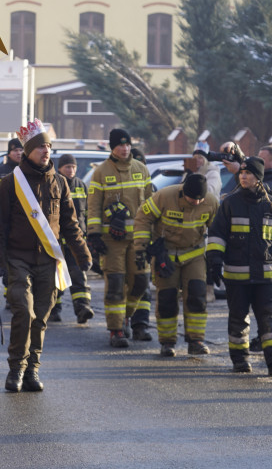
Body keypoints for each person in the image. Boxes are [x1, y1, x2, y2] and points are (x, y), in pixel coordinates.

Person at [0, 120, 91, 392]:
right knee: (23, 310)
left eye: (48, 146)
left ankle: (32, 369)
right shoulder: (11, 183)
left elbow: (70, 223)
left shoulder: (60, 183)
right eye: (40, 147)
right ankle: (15, 370)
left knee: (42, 316)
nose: (46, 151)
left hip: (48, 259)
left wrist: (82, 253)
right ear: (28, 150)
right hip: (18, 258)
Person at [134, 172, 219, 356]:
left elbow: (217, 230)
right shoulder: (165, 196)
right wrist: (142, 247)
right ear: (183, 192)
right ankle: (167, 342)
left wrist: (216, 257)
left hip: (194, 254)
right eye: (191, 198)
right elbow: (143, 217)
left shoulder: (211, 202)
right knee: (167, 298)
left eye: (200, 199)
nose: (196, 202)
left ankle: (196, 340)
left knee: (197, 296)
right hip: (166, 255)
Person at [86, 128, 153, 347]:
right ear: (111, 147)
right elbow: (94, 205)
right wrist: (94, 235)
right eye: (119, 145)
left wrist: (155, 235)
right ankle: (116, 330)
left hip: (138, 240)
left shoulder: (141, 169)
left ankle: (126, 315)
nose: (124, 149)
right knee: (115, 283)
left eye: (127, 144)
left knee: (141, 281)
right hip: (111, 241)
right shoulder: (101, 172)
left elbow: (151, 204)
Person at [207, 156, 272, 374]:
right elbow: (217, 234)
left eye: (248, 173)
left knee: (268, 320)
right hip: (237, 277)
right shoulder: (230, 203)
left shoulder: (269, 204)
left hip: (266, 276)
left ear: (258, 177)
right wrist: (214, 261)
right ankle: (240, 360)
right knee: (238, 318)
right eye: (241, 173)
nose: (243, 176)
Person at [51, 153, 95, 324]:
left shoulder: (81, 186)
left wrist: (89, 235)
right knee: (57, 277)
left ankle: (83, 308)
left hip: (77, 242)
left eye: (73, 167)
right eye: (67, 167)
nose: (71, 170)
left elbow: (88, 212)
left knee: (79, 275)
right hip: (57, 243)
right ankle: (54, 309)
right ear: (60, 168)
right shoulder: (54, 185)